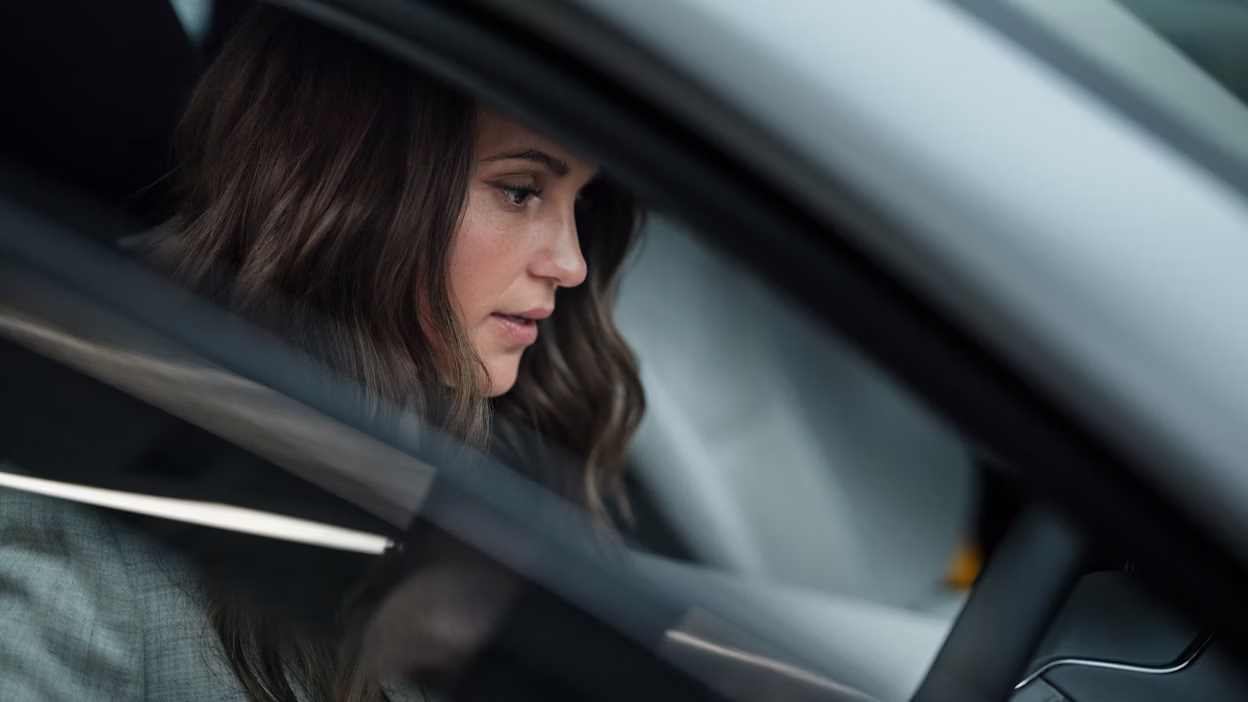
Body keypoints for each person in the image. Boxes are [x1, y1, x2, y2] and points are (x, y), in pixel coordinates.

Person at [0, 5, 644, 701]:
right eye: (521, 191)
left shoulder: (509, 485)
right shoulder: (81, 542)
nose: (571, 263)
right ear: (361, 191)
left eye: (579, 205)